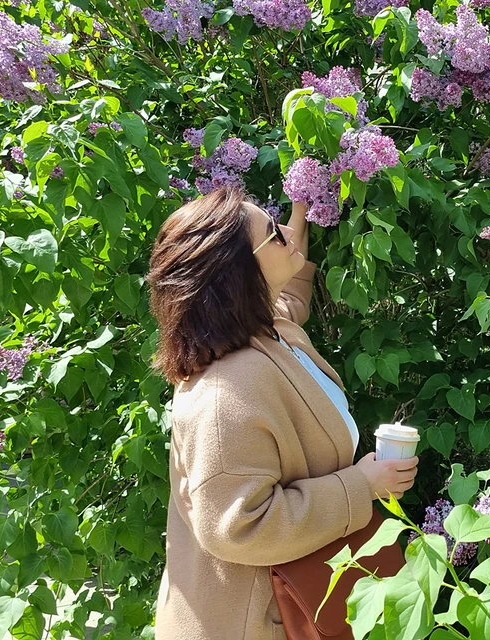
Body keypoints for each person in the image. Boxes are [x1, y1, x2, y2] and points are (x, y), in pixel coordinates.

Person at [146, 185, 418, 640]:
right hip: (254, 623)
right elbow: (239, 526)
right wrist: (362, 486)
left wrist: (302, 208)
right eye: (273, 233)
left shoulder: (266, 327)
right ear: (238, 274)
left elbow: (291, 296)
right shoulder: (223, 395)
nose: (287, 233)